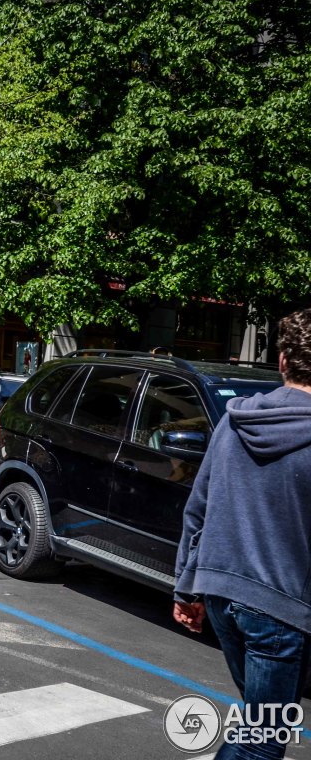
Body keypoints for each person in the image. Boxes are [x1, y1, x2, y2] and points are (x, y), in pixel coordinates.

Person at [173, 308, 311, 760]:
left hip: (222, 593)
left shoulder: (234, 422)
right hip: (279, 608)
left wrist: (186, 589)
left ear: (283, 361)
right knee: (263, 739)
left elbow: (199, 510)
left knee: (260, 724)